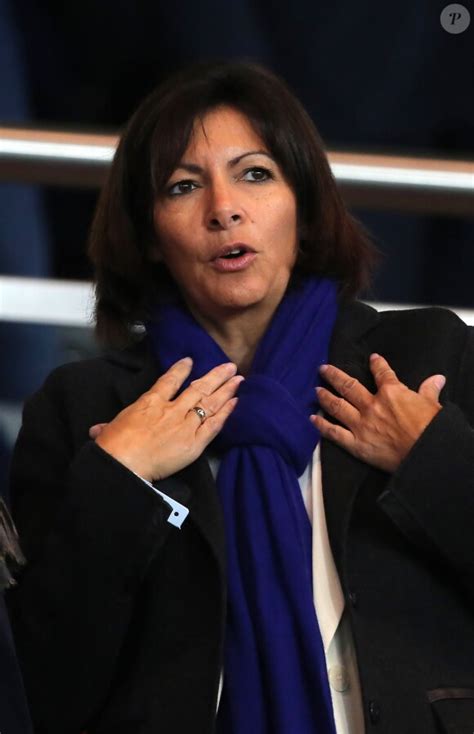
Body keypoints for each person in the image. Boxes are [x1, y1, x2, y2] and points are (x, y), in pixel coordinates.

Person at [6, 61, 474, 734]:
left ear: (305, 211)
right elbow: (41, 687)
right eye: (183, 186)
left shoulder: (425, 356)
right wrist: (118, 481)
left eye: (255, 174)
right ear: (149, 238)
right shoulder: (85, 407)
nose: (223, 208)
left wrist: (433, 457)